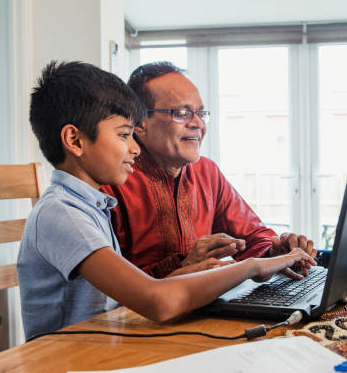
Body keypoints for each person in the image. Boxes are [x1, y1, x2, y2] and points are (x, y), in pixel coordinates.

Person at [17, 61, 315, 340]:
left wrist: (270, 254)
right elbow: (154, 299)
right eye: (124, 134)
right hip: (74, 359)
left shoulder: (91, 203)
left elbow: (140, 296)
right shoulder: (68, 211)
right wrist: (250, 267)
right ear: (75, 141)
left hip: (121, 337)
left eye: (200, 113)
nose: (133, 148)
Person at [102, 62, 316, 279]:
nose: (197, 123)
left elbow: (254, 236)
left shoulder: (206, 172)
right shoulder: (110, 181)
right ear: (139, 123)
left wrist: (275, 251)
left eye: (200, 113)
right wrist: (183, 265)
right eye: (182, 112)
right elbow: (108, 287)